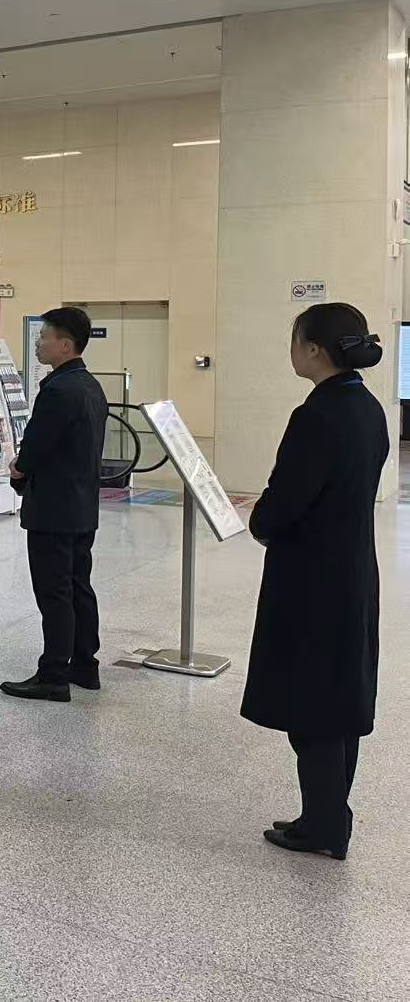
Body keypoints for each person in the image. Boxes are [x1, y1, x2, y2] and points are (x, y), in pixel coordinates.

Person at [244, 304, 389, 861]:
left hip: (312, 576)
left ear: (313, 350)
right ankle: (327, 814)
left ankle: (324, 827)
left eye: (295, 340)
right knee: (338, 698)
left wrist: (262, 522)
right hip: (351, 567)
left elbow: (288, 497)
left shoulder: (317, 415)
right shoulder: (367, 407)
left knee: (314, 705)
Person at [0, 306, 108, 702]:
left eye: (44, 337)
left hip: (53, 508)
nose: (38, 343)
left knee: (55, 591)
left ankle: (53, 674)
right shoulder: (91, 386)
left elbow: (37, 446)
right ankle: (84, 665)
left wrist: (18, 467)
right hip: (81, 506)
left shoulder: (60, 390)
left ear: (66, 344)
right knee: (79, 585)